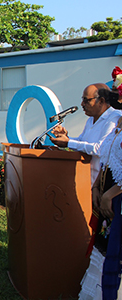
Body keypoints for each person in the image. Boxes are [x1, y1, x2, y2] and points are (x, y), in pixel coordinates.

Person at [78, 70, 122, 300]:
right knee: (104, 249)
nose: (118, 99)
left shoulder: (113, 119)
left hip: (115, 196)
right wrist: (98, 187)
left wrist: (110, 194)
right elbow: (106, 157)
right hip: (105, 192)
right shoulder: (119, 124)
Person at [50, 83, 122, 186]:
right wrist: (66, 138)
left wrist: (68, 143)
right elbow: (82, 141)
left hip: (105, 183)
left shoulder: (114, 118)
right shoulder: (91, 119)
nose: (82, 104)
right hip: (88, 182)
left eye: (86, 100)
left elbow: (101, 149)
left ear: (101, 101)